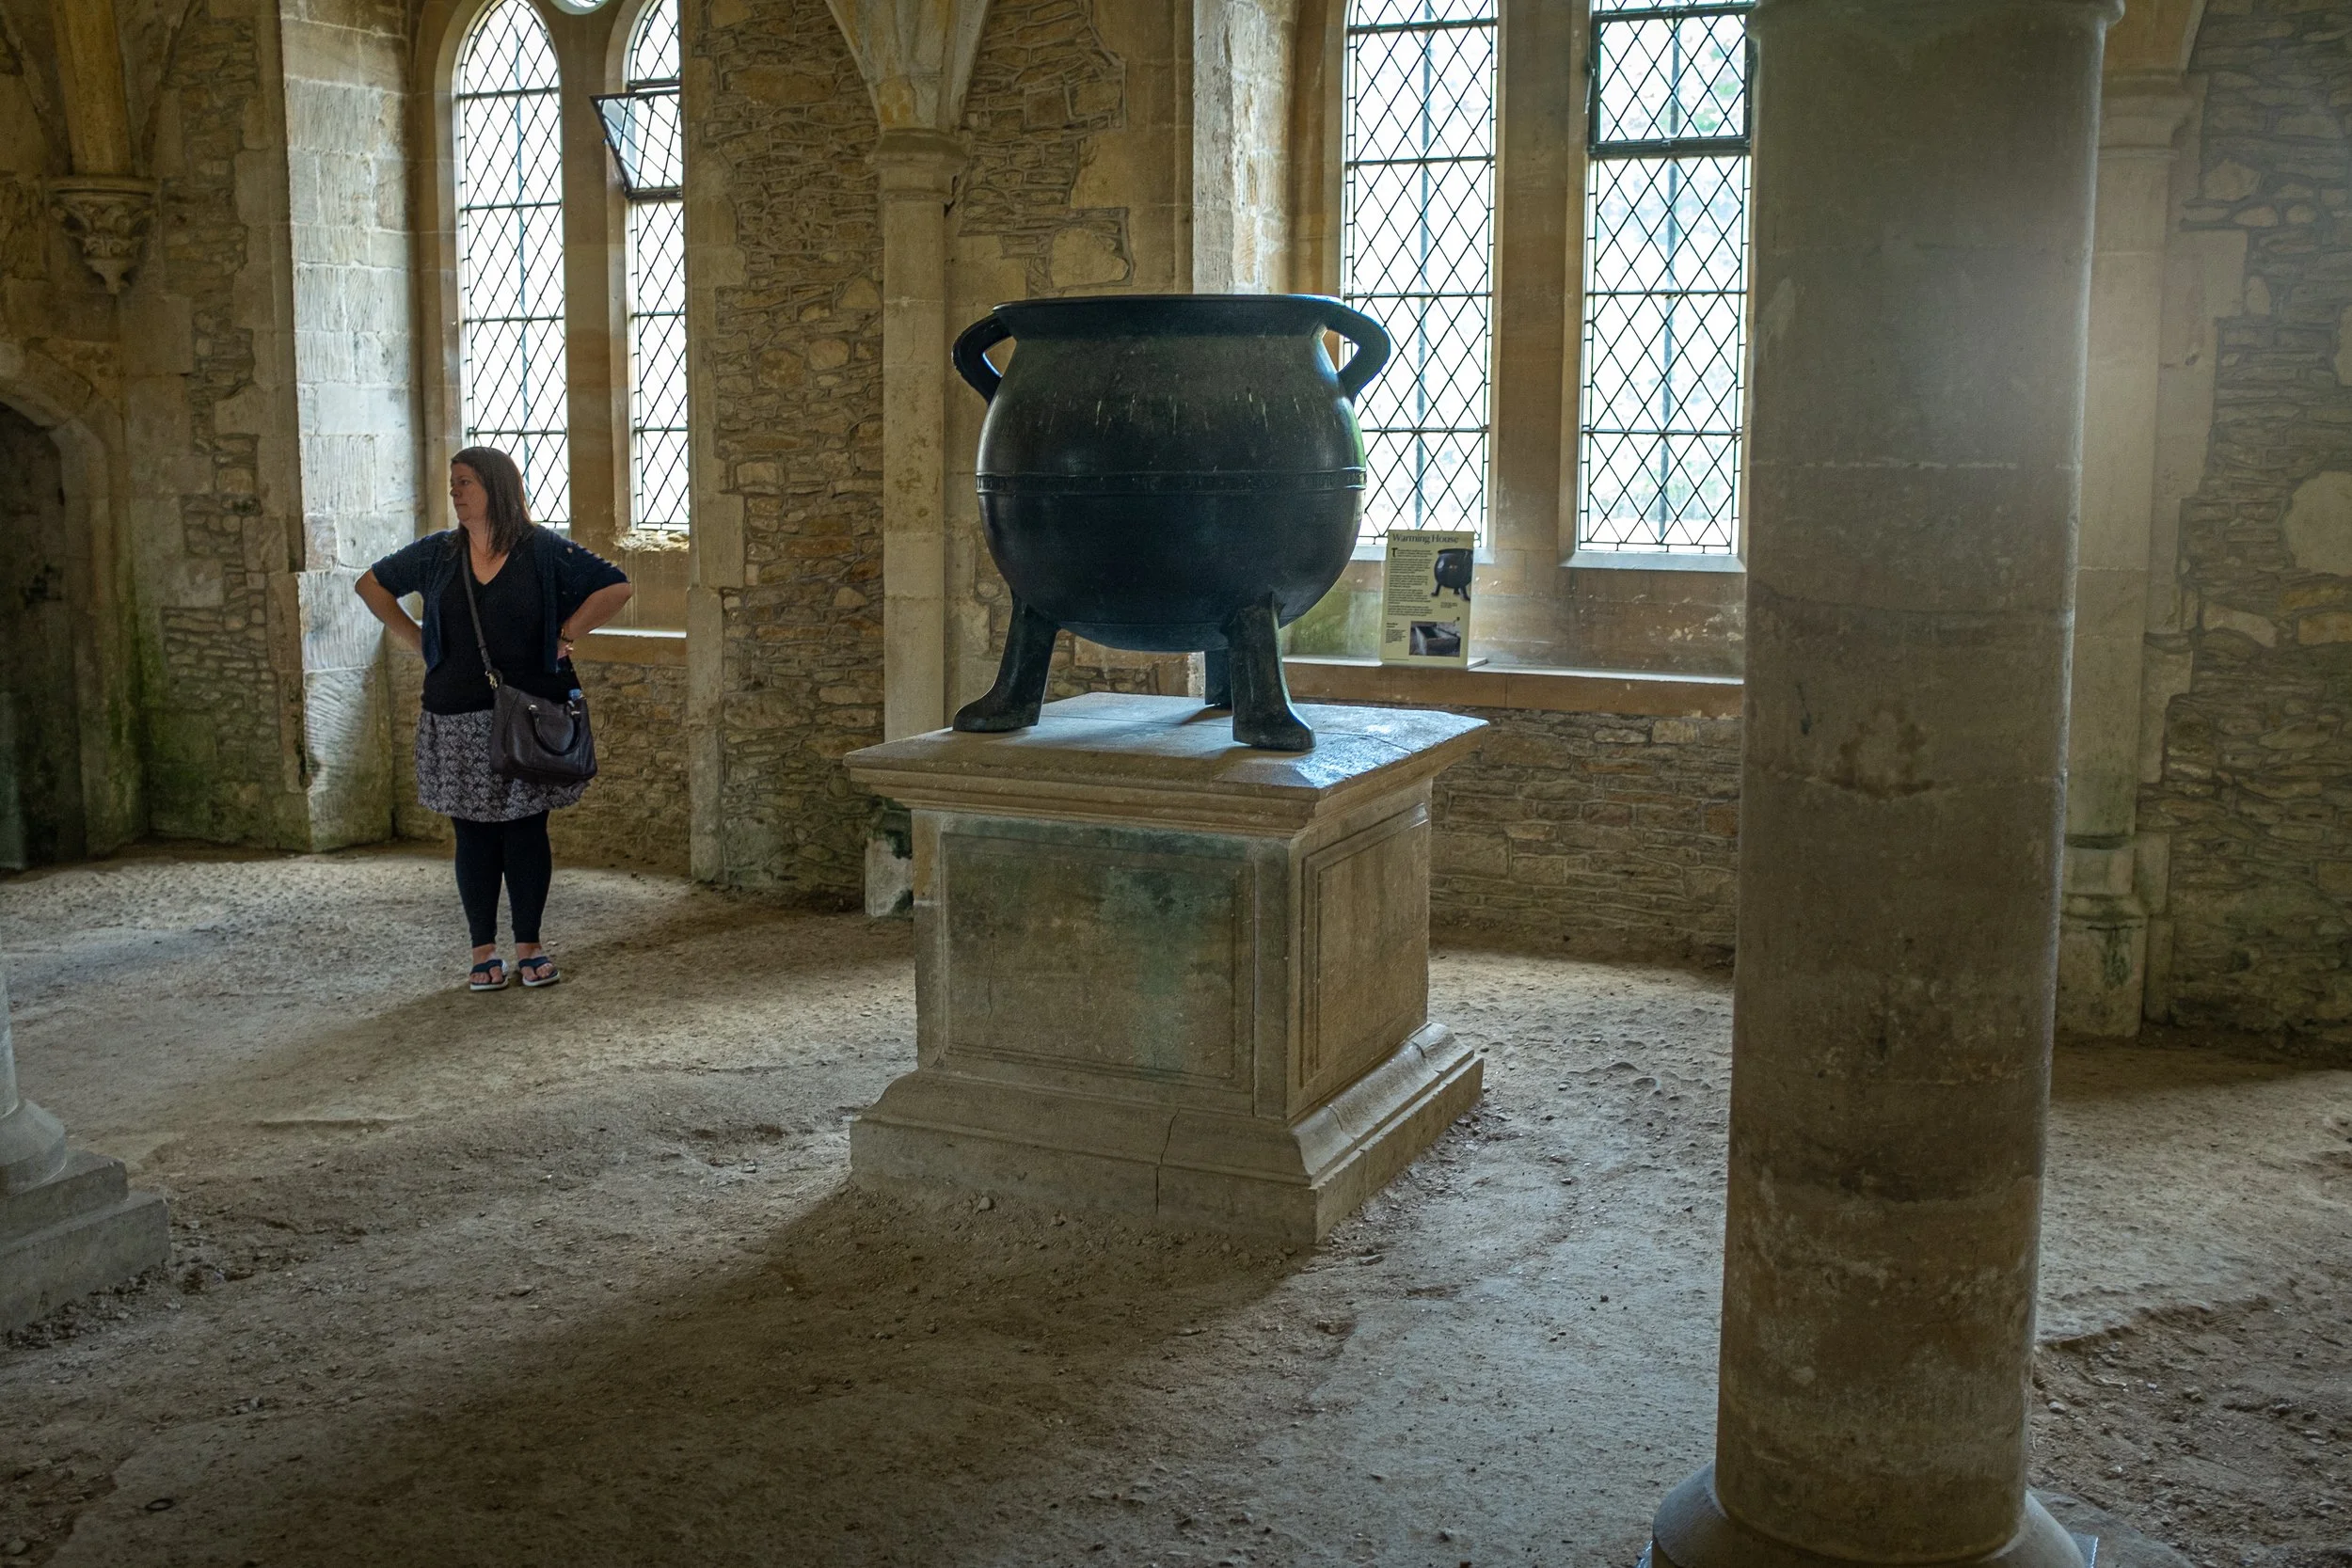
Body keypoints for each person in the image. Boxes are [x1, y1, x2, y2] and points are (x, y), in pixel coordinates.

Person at [356, 448, 632, 991]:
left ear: (496, 488)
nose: (456, 492)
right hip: (454, 715)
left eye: (466, 482)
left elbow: (616, 586)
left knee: (526, 830)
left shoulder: (542, 549)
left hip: (526, 714)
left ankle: (529, 946)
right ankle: (483, 951)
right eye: (453, 483)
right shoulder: (438, 553)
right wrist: (415, 638)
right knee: (473, 834)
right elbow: (371, 585)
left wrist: (566, 634)